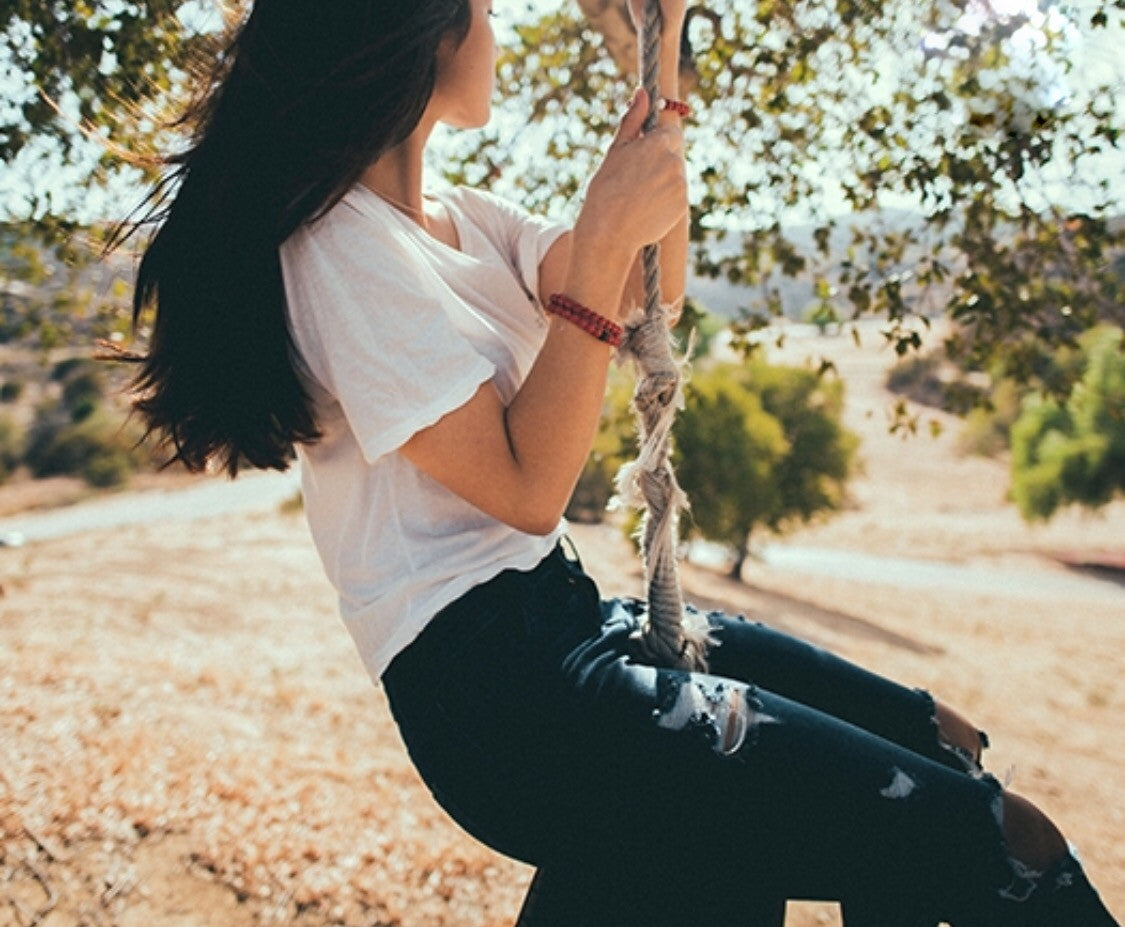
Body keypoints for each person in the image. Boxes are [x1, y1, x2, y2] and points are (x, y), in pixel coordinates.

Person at [121, 0, 1119, 923]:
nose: (498, 32)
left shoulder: (465, 221)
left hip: (570, 622)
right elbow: (523, 489)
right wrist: (595, 250)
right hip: (503, 703)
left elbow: (652, 292)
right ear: (427, 33)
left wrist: (664, 58)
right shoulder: (338, 249)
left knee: (937, 739)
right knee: (1008, 846)